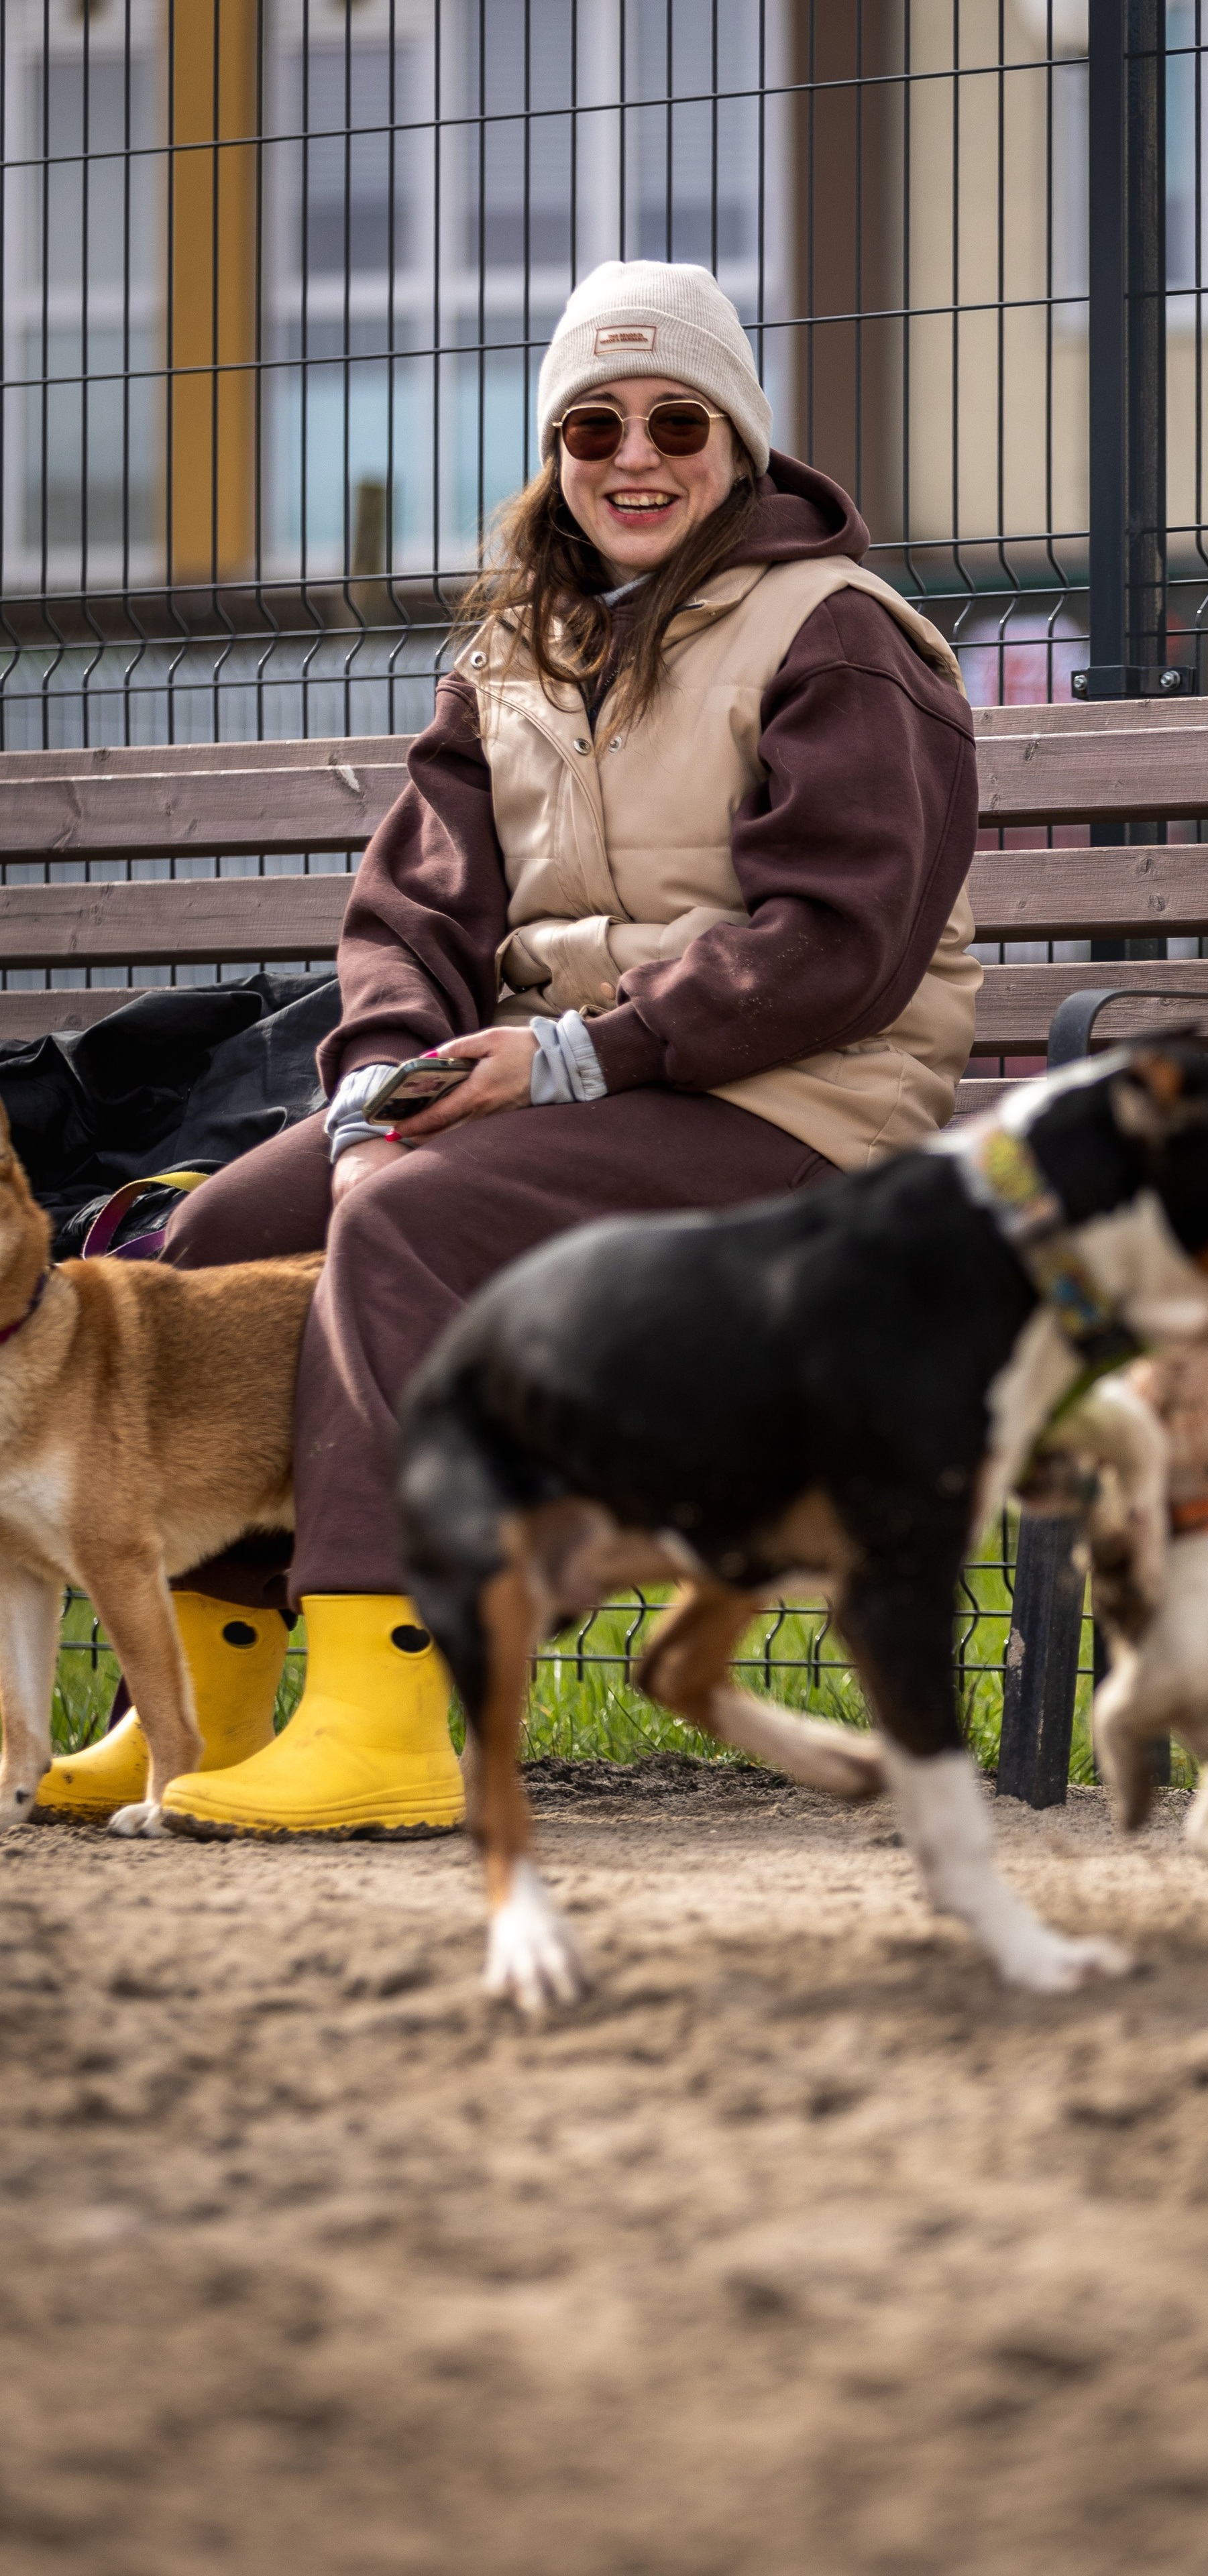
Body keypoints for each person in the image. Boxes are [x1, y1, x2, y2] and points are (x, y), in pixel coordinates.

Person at [37, 259, 981, 1837]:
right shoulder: (512, 657)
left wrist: (567, 1060)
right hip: (576, 1093)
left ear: (739, 445)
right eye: (591, 425)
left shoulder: (839, 636)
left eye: (678, 419)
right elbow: (409, 915)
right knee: (222, 1236)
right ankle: (202, 1709)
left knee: (411, 1217)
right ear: (551, 454)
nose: (635, 456)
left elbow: (840, 945)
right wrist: (370, 1089)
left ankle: (389, 1706)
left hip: (802, 1116)